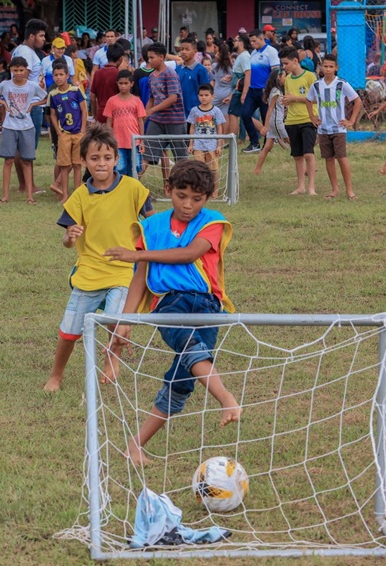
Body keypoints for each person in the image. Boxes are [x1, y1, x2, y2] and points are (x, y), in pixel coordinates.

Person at [102, 160, 240, 464]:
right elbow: (140, 278)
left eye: (197, 199)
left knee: (182, 380)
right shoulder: (151, 227)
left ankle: (135, 445)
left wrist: (136, 254)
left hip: (208, 306)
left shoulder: (213, 222)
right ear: (168, 189)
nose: (188, 205)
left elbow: (189, 254)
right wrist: (125, 320)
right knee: (192, 350)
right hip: (169, 304)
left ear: (208, 197)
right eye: (181, 196)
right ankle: (226, 398)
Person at [44, 124, 151, 392]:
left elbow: (153, 223)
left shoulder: (133, 188)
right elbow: (67, 241)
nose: (101, 163)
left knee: (117, 320)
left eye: (107, 157)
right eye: (94, 158)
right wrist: (69, 237)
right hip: (89, 271)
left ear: (116, 159)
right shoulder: (79, 197)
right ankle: (56, 375)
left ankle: (111, 359)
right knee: (69, 330)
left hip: (124, 271)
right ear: (84, 161)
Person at [0, 56, 48, 204]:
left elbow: (46, 97)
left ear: (26, 70)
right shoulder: (5, 85)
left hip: (27, 127)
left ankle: (30, 196)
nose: (18, 73)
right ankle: (5, 195)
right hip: (9, 127)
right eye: (15, 70)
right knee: (8, 160)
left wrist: (33, 105)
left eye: (21, 70)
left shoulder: (32, 86)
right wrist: (3, 102)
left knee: (27, 161)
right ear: (11, 70)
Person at [307, 54, 362, 199]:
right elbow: (308, 99)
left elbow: (357, 100)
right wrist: (312, 117)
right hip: (323, 129)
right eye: (325, 66)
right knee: (328, 158)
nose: (328, 69)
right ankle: (334, 189)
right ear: (321, 67)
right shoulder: (316, 85)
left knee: (342, 158)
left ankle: (349, 191)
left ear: (336, 68)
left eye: (331, 67)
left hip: (339, 128)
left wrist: (351, 120)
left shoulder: (341, 84)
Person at [143, 42, 188, 187]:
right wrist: (145, 113)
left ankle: (184, 185)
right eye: (148, 57)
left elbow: (173, 98)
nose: (149, 60)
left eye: (152, 57)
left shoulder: (170, 74)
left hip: (175, 121)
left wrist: (152, 110)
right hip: (157, 121)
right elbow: (151, 98)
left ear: (161, 57)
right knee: (147, 153)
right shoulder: (151, 76)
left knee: (181, 157)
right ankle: (133, 184)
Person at [10, 19, 48, 192]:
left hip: (26, 105)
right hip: (30, 106)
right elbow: (21, 79)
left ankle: (24, 184)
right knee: (28, 147)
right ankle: (28, 185)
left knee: (23, 147)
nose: (43, 39)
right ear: (32, 36)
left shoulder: (22, 50)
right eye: (41, 35)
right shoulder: (26, 52)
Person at [280, 47, 318, 196]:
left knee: (308, 153)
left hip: (308, 119)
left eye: (286, 63)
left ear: (295, 61)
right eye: (283, 64)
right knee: (297, 156)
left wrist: (295, 98)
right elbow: (288, 98)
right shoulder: (288, 80)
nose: (284, 67)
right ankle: (300, 186)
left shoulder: (310, 76)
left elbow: (316, 99)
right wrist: (286, 102)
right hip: (292, 120)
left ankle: (311, 187)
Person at [48, 62, 87, 202]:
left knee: (77, 165)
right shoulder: (53, 95)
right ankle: (65, 195)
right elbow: (52, 114)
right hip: (64, 134)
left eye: (61, 75)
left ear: (67, 76)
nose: (58, 77)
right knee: (64, 166)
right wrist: (58, 132)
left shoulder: (76, 91)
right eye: (56, 75)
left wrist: (83, 130)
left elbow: (84, 110)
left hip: (77, 133)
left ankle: (77, 194)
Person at [240, 29, 279, 153]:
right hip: (252, 90)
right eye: (250, 41)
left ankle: (267, 145)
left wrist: (271, 89)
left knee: (265, 117)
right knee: (245, 114)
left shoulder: (271, 52)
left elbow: (275, 72)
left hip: (264, 91)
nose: (252, 43)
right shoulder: (253, 53)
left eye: (254, 41)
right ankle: (254, 142)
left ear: (261, 39)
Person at [104, 70, 147, 177]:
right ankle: (121, 186)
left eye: (126, 83)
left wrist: (141, 140)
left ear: (131, 84)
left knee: (135, 167)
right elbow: (109, 122)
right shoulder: (111, 101)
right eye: (121, 83)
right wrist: (109, 139)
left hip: (134, 141)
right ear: (117, 83)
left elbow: (140, 121)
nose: (123, 86)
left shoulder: (137, 101)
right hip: (118, 141)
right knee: (120, 168)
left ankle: (133, 186)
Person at [186, 84, 226, 192]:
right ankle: (201, 189)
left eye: (206, 95)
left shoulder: (216, 111)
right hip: (198, 145)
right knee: (199, 169)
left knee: (213, 169)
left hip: (212, 145)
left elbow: (220, 128)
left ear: (212, 96)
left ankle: (214, 190)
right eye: (201, 95)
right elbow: (192, 127)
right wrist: (191, 144)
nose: (203, 97)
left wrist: (219, 145)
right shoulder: (194, 110)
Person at [253, 68, 289, 175]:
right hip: (276, 122)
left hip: (274, 122)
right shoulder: (276, 92)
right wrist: (265, 126)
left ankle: (257, 170)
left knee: (267, 147)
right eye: (285, 76)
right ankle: (307, 167)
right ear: (279, 77)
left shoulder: (274, 90)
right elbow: (270, 109)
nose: (286, 78)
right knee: (294, 144)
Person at [90, 43, 125, 124]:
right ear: (121, 59)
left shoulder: (98, 73)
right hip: (116, 114)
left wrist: (95, 115)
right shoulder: (119, 75)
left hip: (101, 114)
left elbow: (92, 97)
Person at [176, 37, 211, 118]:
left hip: (196, 113)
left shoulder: (201, 70)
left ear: (195, 51)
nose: (183, 52)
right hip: (179, 113)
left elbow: (206, 92)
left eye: (187, 49)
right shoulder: (177, 69)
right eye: (182, 49)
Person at [227, 32, 252, 143]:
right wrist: (231, 77)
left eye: (236, 40)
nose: (233, 42)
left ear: (241, 43)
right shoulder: (241, 56)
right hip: (238, 90)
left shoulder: (244, 56)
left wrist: (244, 93)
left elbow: (248, 73)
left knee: (233, 114)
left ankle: (232, 141)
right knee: (243, 115)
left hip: (239, 91)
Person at [210, 43, 234, 118]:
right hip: (228, 92)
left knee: (212, 113)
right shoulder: (232, 67)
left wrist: (217, 58)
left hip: (217, 92)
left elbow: (212, 76)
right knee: (225, 115)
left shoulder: (215, 66)